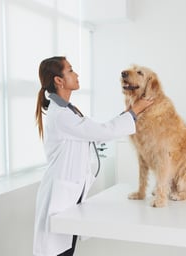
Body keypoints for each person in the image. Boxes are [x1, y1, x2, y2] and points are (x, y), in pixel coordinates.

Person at [33, 56, 153, 256]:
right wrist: (134, 111)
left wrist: (129, 114)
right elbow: (100, 132)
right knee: (57, 250)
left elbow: (95, 133)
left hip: (69, 197)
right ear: (59, 80)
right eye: (70, 70)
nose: (76, 74)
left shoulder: (67, 111)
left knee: (66, 249)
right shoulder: (61, 115)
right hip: (59, 197)